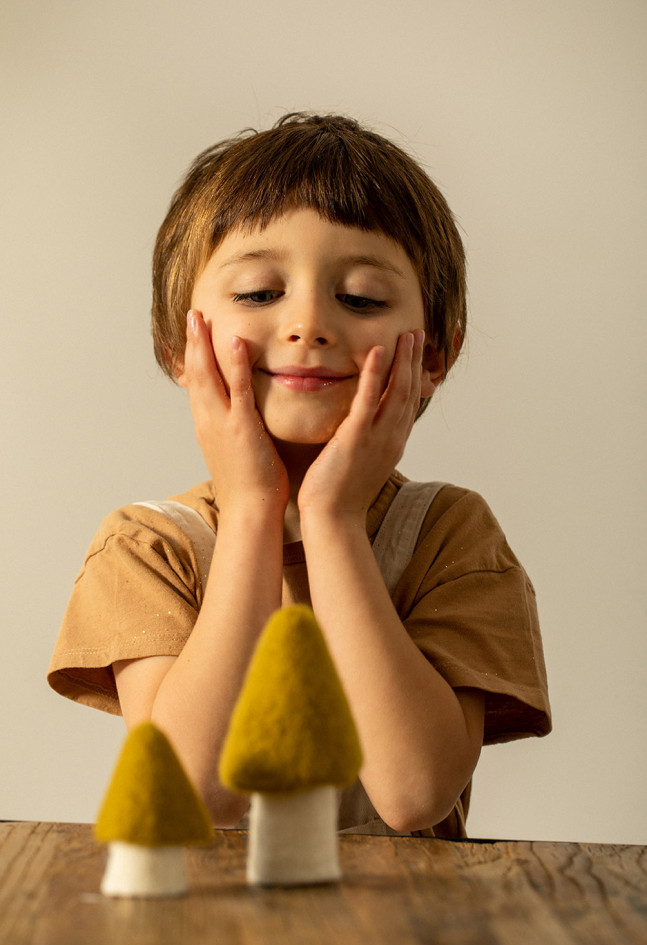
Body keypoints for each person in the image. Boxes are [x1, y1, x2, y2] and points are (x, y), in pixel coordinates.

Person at [48, 113, 550, 838]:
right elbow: (199, 790)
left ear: (434, 353)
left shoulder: (450, 534)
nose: (308, 323)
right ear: (176, 345)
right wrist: (253, 507)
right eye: (258, 293)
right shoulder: (148, 544)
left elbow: (413, 793)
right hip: (200, 942)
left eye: (363, 298)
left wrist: (334, 520)